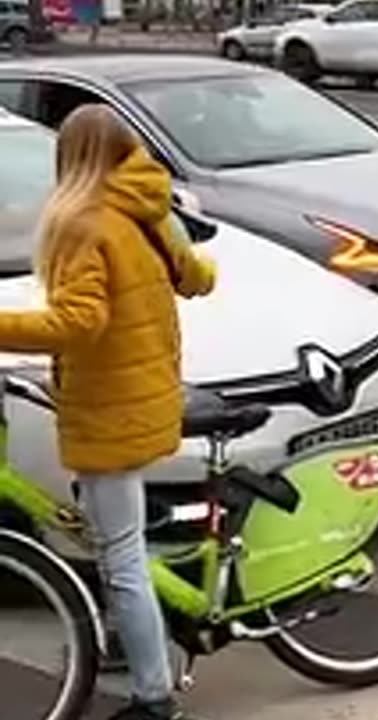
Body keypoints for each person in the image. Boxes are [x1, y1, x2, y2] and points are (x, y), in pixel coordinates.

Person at [0, 104, 216, 719]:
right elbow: (198, 278)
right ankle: (132, 632)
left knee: (119, 557)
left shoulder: (82, 222)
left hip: (111, 407)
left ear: (69, 157)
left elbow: (78, 321)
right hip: (146, 393)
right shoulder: (142, 208)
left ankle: (154, 696)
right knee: (120, 540)